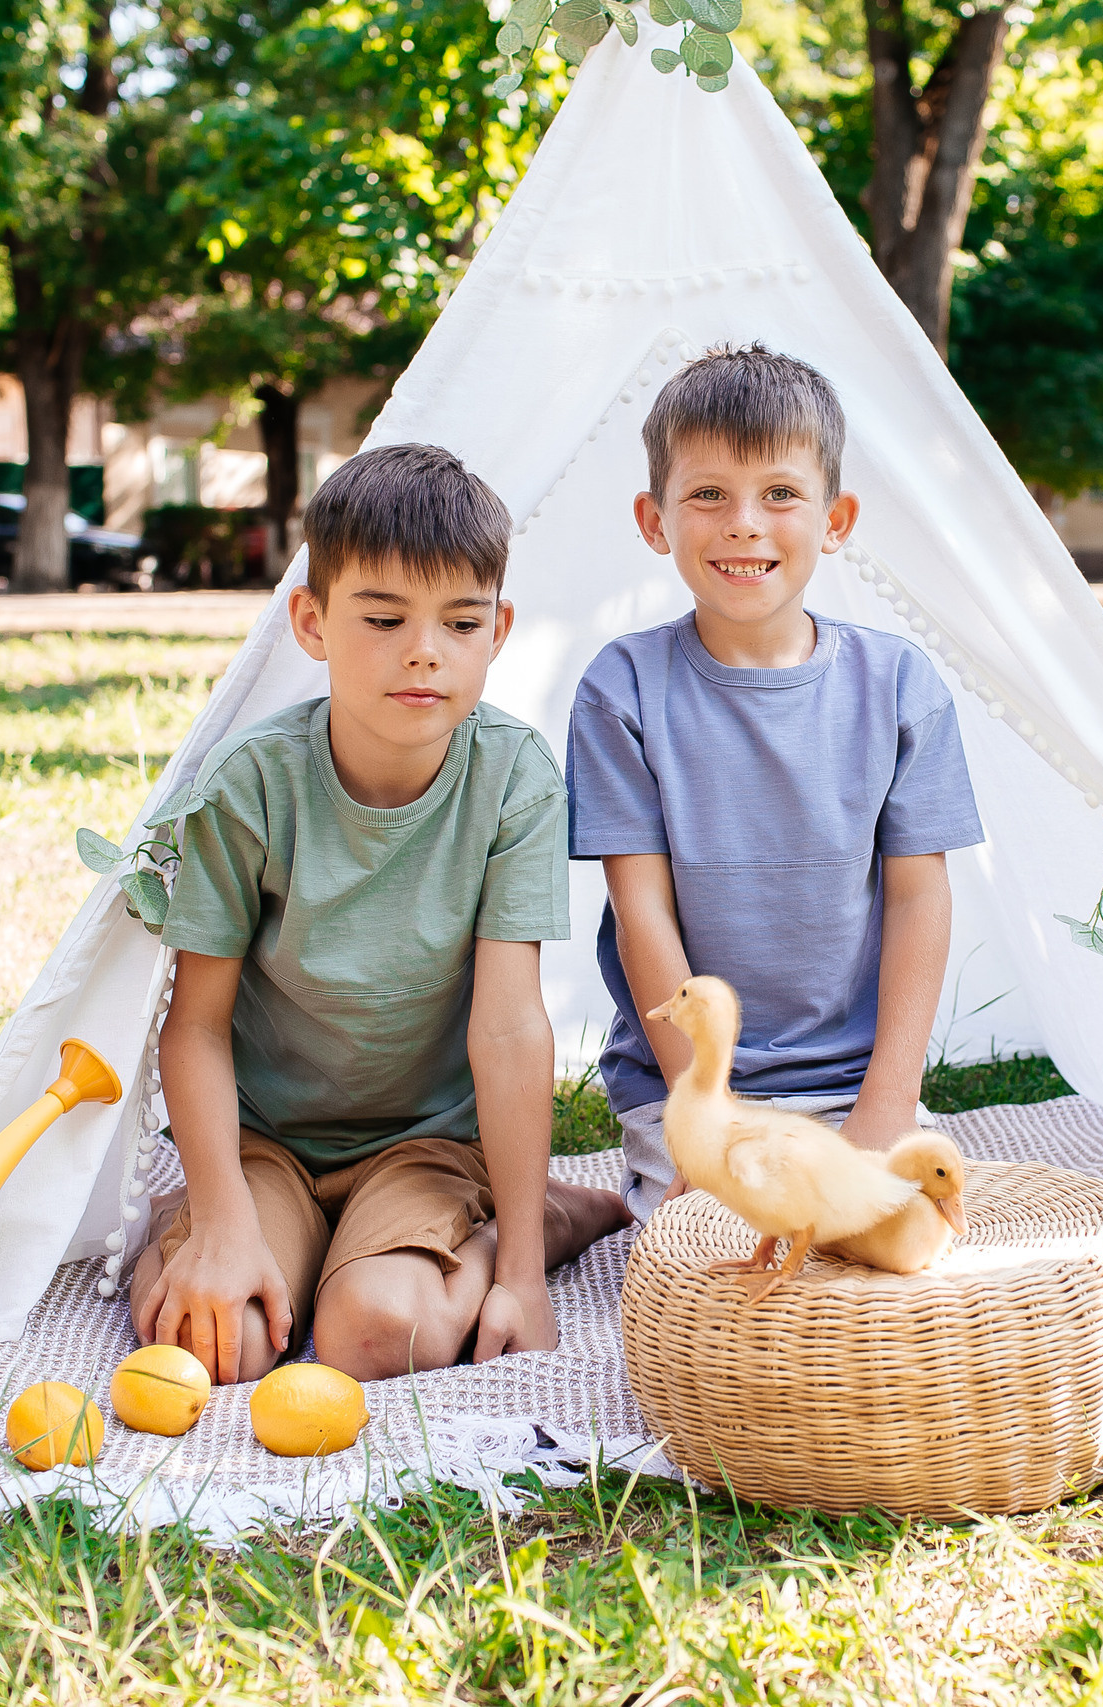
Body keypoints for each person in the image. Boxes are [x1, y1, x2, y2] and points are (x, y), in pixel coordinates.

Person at [130, 443, 631, 1385]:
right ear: (312, 622)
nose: (424, 650)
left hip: (425, 1143)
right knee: (215, 1341)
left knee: (373, 1335)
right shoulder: (254, 785)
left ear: (499, 629)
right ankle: (234, 1235)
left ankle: (549, 1215)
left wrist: (521, 1269)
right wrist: (227, 1224)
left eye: (460, 621)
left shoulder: (513, 779)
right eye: (384, 617)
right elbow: (192, 1026)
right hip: (265, 1139)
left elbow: (512, 1027)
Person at [567, 344, 986, 1220]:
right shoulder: (624, 688)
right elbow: (641, 912)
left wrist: (886, 1109)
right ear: (655, 520)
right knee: (729, 1275)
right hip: (691, 1084)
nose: (744, 523)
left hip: (858, 1081)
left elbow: (920, 900)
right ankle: (594, 1206)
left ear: (837, 519)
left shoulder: (900, 685)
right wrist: (702, 1119)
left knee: (902, 1256)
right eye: (707, 494)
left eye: (781, 493)